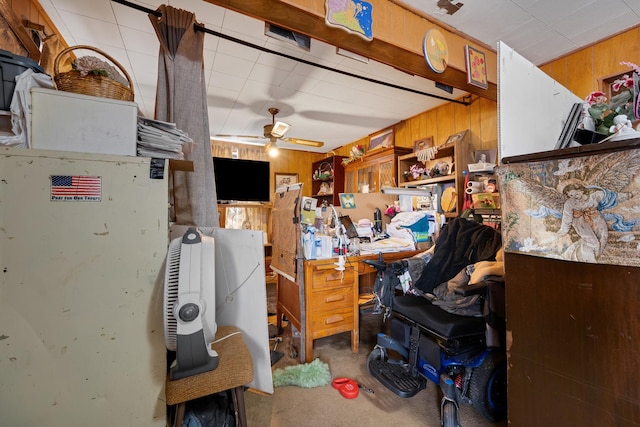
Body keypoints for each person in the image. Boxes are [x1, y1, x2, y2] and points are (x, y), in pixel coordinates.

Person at [555, 183, 608, 262]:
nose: (575, 197)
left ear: (581, 190)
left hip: (596, 218)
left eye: (576, 193)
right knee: (593, 243)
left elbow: (607, 197)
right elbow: (567, 219)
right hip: (580, 223)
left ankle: (596, 258)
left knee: (604, 237)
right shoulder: (569, 204)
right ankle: (590, 261)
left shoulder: (593, 196)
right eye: (571, 196)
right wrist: (562, 232)